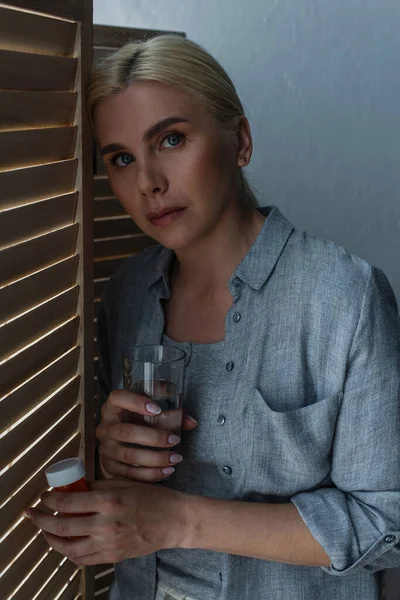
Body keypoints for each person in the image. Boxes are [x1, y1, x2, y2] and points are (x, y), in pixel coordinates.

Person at [26, 34, 400, 600]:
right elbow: (130, 497)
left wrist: (177, 519)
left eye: (171, 139)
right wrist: (113, 455)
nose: (148, 181)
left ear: (241, 141)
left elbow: (384, 528)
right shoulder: (126, 292)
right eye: (122, 158)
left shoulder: (344, 296)